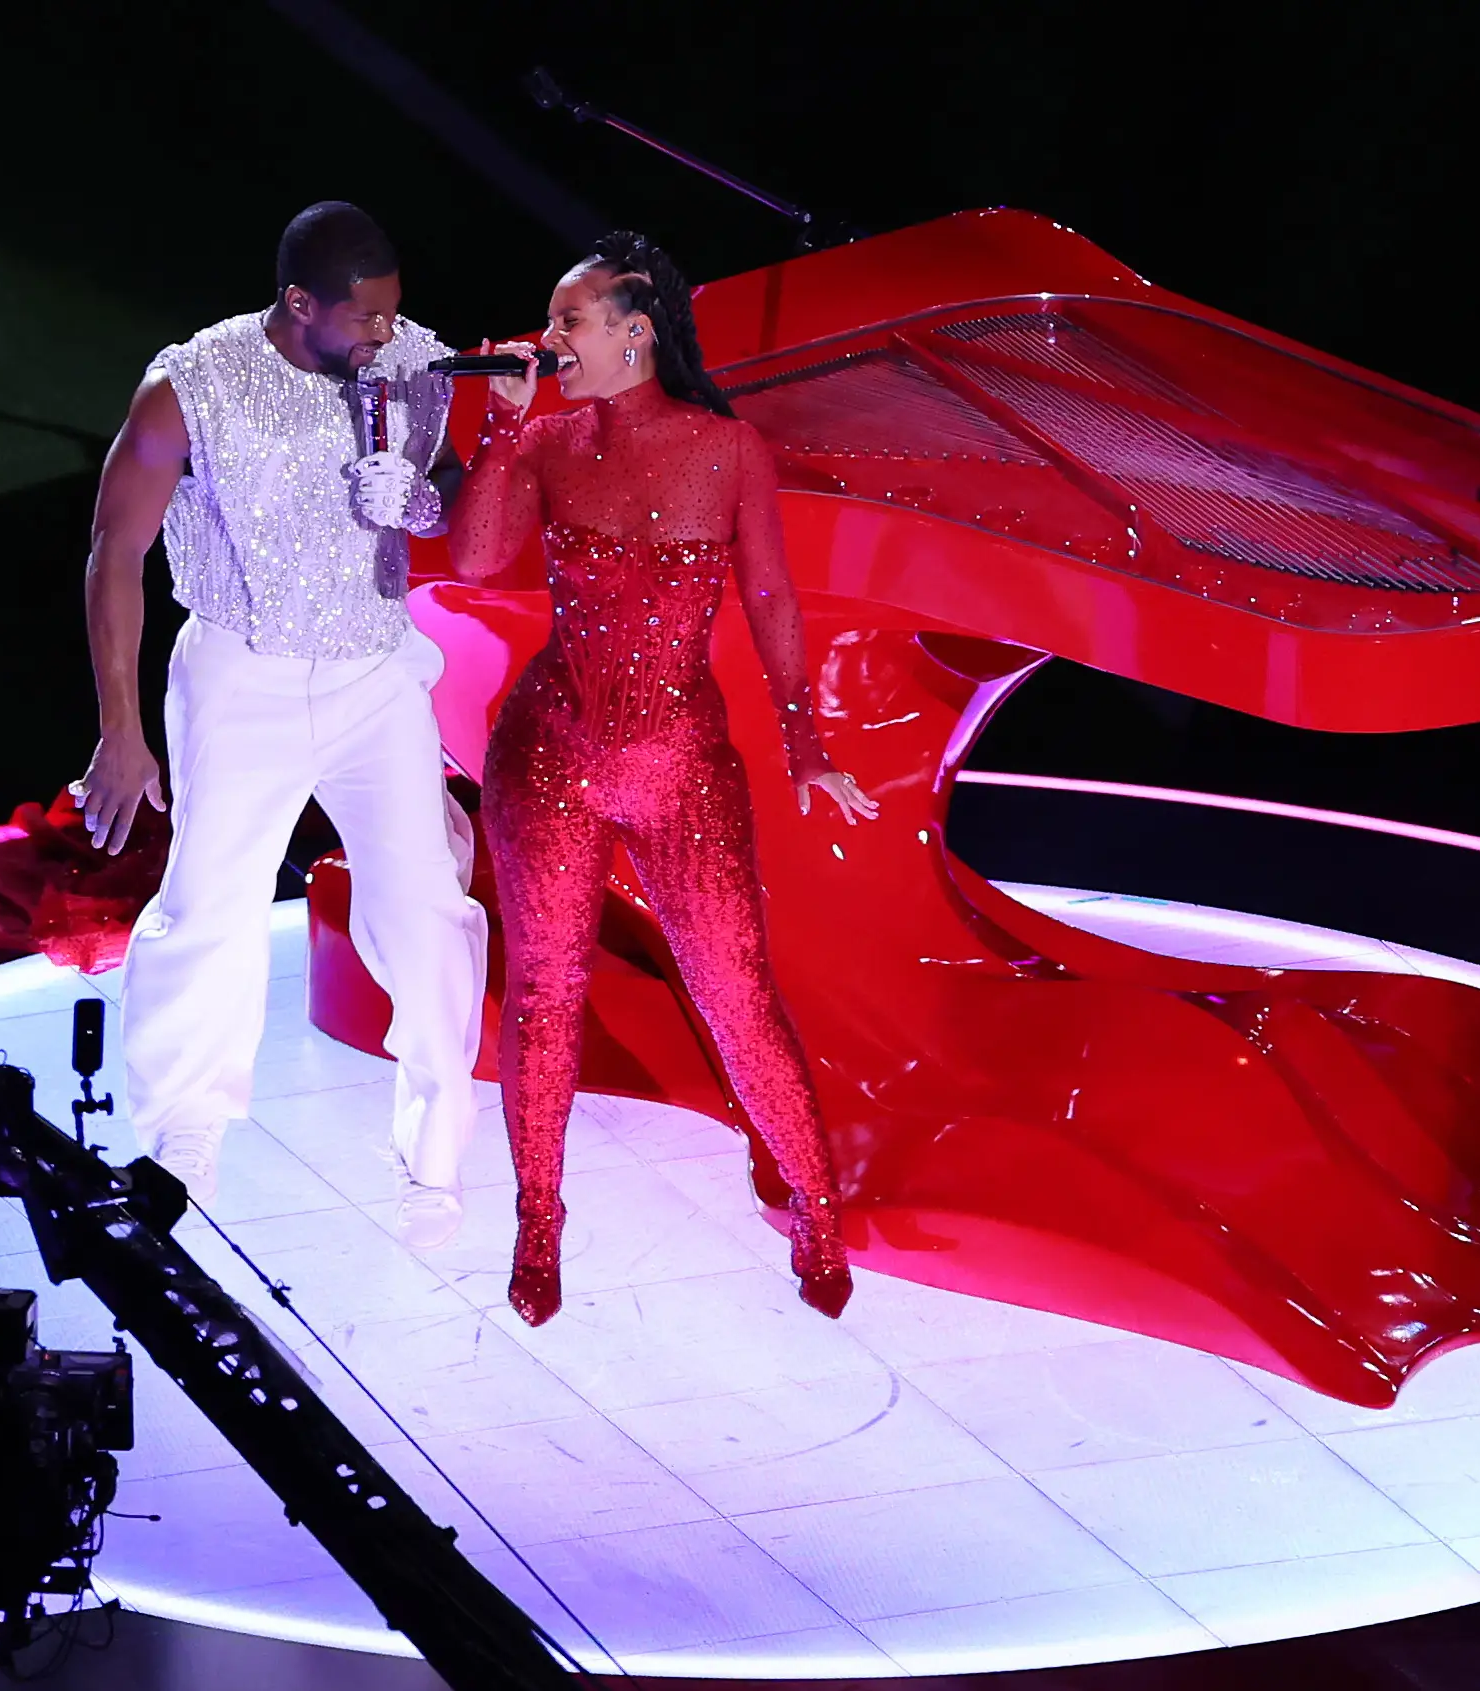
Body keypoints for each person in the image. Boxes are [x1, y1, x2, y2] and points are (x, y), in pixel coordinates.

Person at [448, 230, 879, 1326]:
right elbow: (476, 560)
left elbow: (775, 596)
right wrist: (502, 424)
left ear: (636, 333)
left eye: (569, 322)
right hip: (550, 751)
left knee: (736, 991)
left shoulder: (725, 450)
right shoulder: (545, 439)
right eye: (550, 324)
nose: (550, 340)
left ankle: (815, 1205)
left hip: (681, 761)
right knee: (547, 995)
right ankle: (538, 1219)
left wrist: (805, 742)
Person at [76, 201, 485, 1248]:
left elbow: (453, 493)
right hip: (240, 672)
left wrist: (426, 501)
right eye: (366, 319)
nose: (386, 336)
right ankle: (183, 1132)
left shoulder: (414, 367)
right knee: (209, 905)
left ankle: (438, 1148)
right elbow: (113, 553)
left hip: (374, 672)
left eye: (395, 313)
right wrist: (121, 729)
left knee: (429, 906)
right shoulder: (192, 386)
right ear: (300, 305)